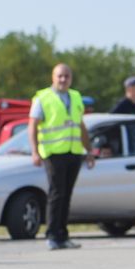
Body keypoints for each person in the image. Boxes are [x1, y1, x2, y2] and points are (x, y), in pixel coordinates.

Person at [27, 63, 95, 250]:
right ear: (53, 77)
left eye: (67, 76)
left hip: (73, 152)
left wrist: (89, 151)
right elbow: (32, 125)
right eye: (60, 76)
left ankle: (62, 235)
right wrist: (34, 151)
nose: (63, 79)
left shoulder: (75, 97)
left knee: (66, 195)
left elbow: (80, 126)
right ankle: (52, 235)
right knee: (56, 194)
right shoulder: (43, 98)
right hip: (53, 153)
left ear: (71, 78)